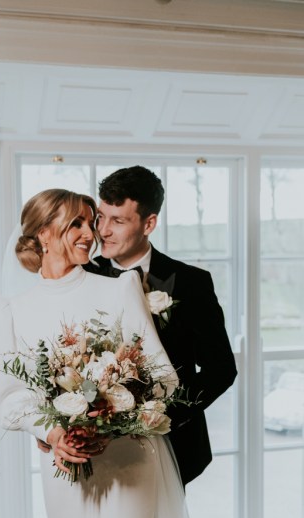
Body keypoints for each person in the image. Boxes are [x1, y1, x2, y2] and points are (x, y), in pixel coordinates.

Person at [0, 188, 209, 518]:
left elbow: (164, 378)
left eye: (90, 223)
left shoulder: (120, 288)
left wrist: (111, 415)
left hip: (127, 457)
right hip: (65, 465)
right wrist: (54, 433)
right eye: (75, 223)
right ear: (43, 235)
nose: (90, 233)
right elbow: (9, 397)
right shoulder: (11, 309)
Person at [85, 165, 237, 487]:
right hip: (96, 447)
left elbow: (221, 369)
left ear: (149, 223)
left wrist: (162, 415)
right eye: (101, 217)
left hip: (171, 444)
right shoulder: (82, 277)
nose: (103, 231)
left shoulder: (192, 283)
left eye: (118, 220)